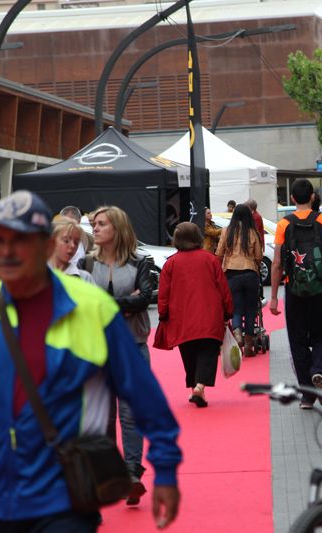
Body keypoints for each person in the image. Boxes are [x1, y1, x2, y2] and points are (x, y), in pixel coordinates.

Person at [0, 191, 181, 532]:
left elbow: (142, 395)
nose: (6, 252)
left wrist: (167, 469)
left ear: (44, 245)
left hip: (64, 498)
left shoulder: (93, 308)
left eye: (19, 240)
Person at [77, 205, 155, 506]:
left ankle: (133, 472)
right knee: (103, 416)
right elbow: (85, 302)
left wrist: (108, 303)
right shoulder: (86, 263)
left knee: (131, 414)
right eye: (93, 224)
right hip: (96, 348)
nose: (94, 229)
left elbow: (147, 298)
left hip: (132, 345)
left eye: (101, 224)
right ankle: (109, 476)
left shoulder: (141, 262)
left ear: (117, 228)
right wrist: (124, 301)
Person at [269, 179, 322, 410]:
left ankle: (307, 396)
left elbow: (278, 263)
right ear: (313, 196)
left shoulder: (283, 224)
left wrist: (273, 297)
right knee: (321, 334)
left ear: (292, 199)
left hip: (294, 290)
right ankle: (318, 370)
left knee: (297, 340)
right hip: (320, 288)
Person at [155, 222, 233, 408]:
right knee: (207, 352)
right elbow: (223, 288)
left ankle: (196, 389)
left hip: (181, 318)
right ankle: (200, 386)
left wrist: (163, 313)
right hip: (209, 315)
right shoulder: (210, 260)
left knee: (189, 354)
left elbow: (163, 293)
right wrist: (228, 310)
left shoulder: (171, 263)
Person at [216, 204, 263, 357]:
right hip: (250, 273)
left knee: (236, 309)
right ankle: (249, 344)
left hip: (231, 274)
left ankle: (237, 334)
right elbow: (258, 256)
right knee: (250, 309)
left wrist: (219, 271)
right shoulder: (252, 232)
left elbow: (219, 253)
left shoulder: (226, 231)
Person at [48, 219, 95, 283]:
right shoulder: (34, 274)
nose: (73, 246)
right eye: (66, 241)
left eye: (76, 242)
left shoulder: (85, 278)